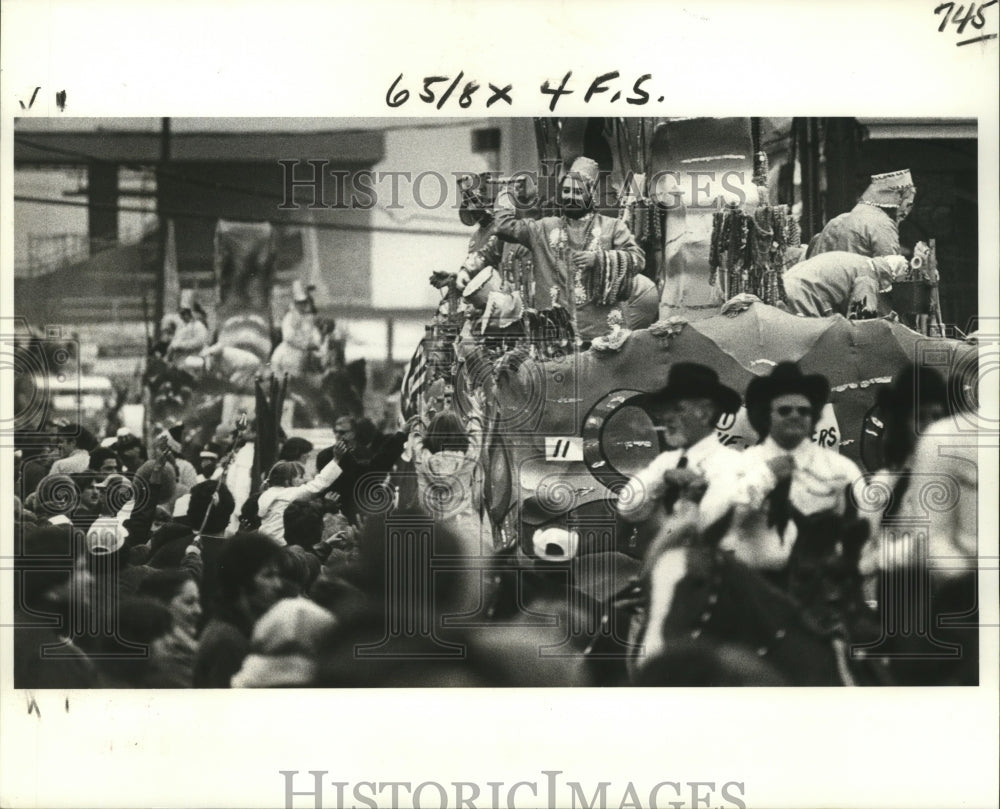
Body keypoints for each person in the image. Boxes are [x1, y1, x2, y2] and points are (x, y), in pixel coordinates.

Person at [698, 362, 868, 570]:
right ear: (767, 415)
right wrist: (765, 476)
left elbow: (867, 527)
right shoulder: (742, 465)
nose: (795, 416)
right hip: (757, 587)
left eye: (804, 411)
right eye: (785, 410)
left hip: (820, 589)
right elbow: (711, 521)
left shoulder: (840, 468)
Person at [487, 156, 651, 342]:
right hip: (555, 337)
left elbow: (638, 259)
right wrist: (508, 192)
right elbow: (503, 227)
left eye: (577, 191)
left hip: (602, 337)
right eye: (566, 190)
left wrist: (599, 259)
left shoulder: (612, 227)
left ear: (591, 194)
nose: (570, 196)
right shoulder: (544, 228)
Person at [618, 363, 743, 530]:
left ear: (705, 414)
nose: (666, 417)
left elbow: (720, 523)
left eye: (678, 409)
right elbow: (627, 508)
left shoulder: (731, 464)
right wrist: (662, 479)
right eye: (666, 409)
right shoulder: (666, 462)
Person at [192, 532, 288, 688]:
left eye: (278, 575)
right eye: (268, 575)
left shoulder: (238, 628)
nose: (278, 585)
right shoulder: (227, 640)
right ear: (242, 580)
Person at [14, 524, 101, 688]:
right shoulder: (50, 655)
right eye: (81, 569)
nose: (90, 579)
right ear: (54, 576)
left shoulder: (22, 622)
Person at [408, 394, 487, 556]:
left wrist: (420, 417)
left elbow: (415, 436)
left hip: (429, 533)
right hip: (463, 532)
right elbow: (476, 436)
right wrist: (475, 411)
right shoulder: (468, 458)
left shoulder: (421, 458)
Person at [809, 169, 916, 259]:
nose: (907, 211)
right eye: (908, 204)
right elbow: (892, 268)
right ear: (897, 198)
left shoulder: (836, 220)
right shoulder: (882, 224)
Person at [781, 251, 909, 319]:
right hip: (803, 295)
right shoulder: (868, 276)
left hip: (788, 284)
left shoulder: (860, 261)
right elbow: (862, 321)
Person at [256, 452, 345, 545]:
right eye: (300, 477)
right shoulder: (289, 494)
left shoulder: (266, 494)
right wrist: (336, 460)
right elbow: (319, 484)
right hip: (282, 543)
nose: (304, 480)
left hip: (265, 542)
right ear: (287, 481)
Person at [137, 570, 203, 687]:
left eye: (198, 602)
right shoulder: (168, 663)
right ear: (161, 606)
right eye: (189, 602)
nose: (198, 610)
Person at [270, 280, 322, 377]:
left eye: (303, 302)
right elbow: (288, 337)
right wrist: (306, 344)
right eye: (299, 303)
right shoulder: (289, 317)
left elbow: (315, 334)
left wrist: (315, 342)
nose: (302, 305)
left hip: (302, 356)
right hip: (287, 354)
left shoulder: (308, 318)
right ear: (295, 303)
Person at [168, 290, 211, 365]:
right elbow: (176, 340)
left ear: (189, 314)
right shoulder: (181, 326)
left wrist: (179, 345)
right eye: (181, 314)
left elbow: (199, 342)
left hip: (196, 356)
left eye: (184, 314)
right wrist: (172, 346)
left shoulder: (198, 325)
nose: (182, 317)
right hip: (180, 357)